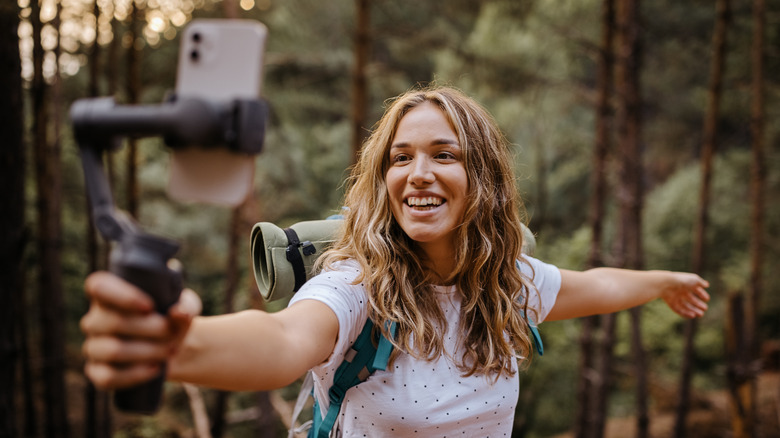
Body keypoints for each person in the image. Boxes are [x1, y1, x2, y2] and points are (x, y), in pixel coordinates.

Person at [81, 85, 710, 436]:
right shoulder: (357, 283)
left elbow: (595, 285)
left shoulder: (506, 282)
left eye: (444, 154)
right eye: (400, 157)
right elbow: (281, 340)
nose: (419, 174)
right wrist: (176, 346)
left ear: (482, 177)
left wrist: (664, 282)